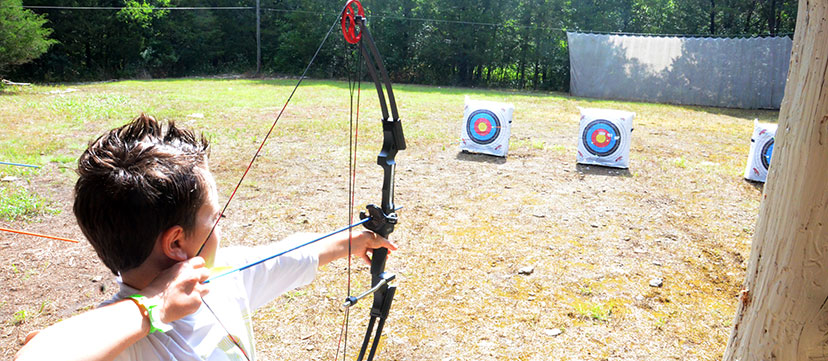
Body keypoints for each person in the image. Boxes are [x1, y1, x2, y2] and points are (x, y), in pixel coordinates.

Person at [14, 114, 396, 361]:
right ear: (177, 243)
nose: (222, 220)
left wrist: (356, 240)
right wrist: (156, 305)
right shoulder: (129, 344)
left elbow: (291, 254)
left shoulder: (221, 276)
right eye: (216, 216)